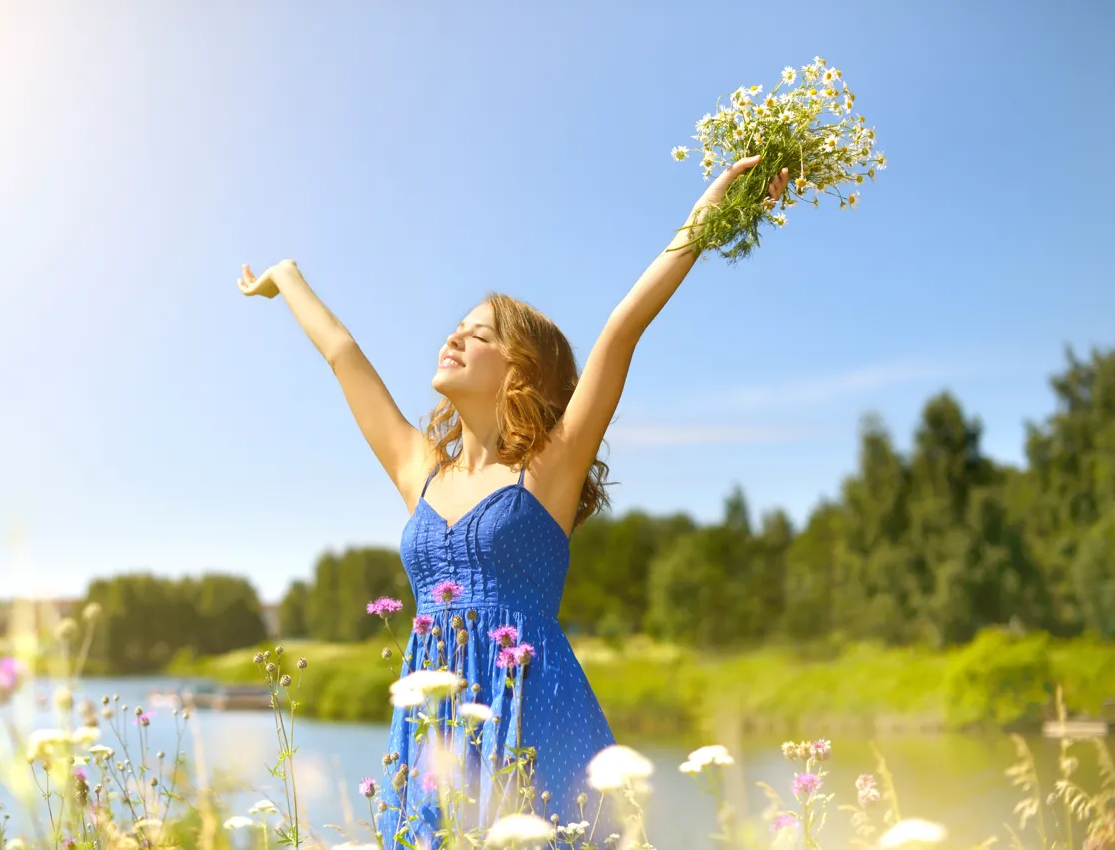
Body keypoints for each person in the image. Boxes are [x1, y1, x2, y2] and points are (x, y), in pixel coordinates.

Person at [239, 157, 789, 847]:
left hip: (532, 713)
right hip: (431, 724)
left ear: (521, 368)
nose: (454, 337)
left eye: (480, 334)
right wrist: (286, 278)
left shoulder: (550, 470)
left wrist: (716, 212)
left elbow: (623, 327)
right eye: (456, 327)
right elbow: (343, 353)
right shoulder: (420, 471)